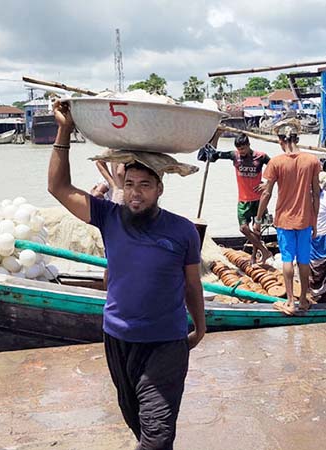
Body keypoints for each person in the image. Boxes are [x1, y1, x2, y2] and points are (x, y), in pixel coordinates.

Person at [47, 100, 206, 448]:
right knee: (136, 419)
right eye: (130, 184)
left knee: (158, 432)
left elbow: (192, 285)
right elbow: (59, 188)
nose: (135, 193)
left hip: (166, 341)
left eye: (145, 185)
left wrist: (201, 326)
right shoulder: (109, 217)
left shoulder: (182, 231)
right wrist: (64, 129)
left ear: (160, 189)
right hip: (118, 338)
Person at [254, 120, 321, 314]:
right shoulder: (312, 161)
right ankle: (303, 301)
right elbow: (316, 193)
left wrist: (258, 220)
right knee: (304, 261)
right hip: (306, 219)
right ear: (297, 138)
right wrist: (315, 221)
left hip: (284, 219)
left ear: (281, 140)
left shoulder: (276, 162)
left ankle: (290, 301)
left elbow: (266, 193)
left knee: (287, 259)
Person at [200, 131, 272, 264]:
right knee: (244, 228)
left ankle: (254, 256)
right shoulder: (235, 156)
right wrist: (215, 136)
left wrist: (268, 183)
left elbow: (276, 167)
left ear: (249, 145)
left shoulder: (260, 157)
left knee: (256, 230)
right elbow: (214, 155)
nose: (241, 151)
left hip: (258, 200)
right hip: (243, 200)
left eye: (243, 148)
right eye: (239, 149)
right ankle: (265, 251)